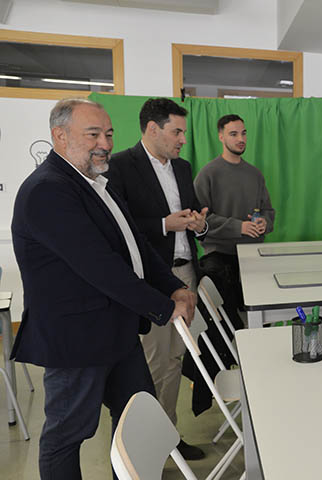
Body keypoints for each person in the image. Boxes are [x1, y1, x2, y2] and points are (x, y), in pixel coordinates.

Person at [10, 98, 195, 478]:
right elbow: (101, 267)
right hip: (77, 340)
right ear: (59, 136)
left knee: (136, 425)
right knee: (67, 435)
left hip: (117, 332)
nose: (105, 143)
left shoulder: (95, 183)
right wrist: (162, 306)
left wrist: (174, 286)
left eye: (108, 134)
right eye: (92, 134)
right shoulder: (48, 190)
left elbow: (135, 247)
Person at [104, 97, 207, 460]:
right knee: (151, 364)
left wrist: (198, 223)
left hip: (186, 274)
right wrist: (166, 224)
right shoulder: (120, 167)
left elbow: (193, 217)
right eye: (176, 131)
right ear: (152, 129)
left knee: (176, 359)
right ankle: (142, 449)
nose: (182, 139)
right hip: (151, 279)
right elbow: (120, 231)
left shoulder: (182, 168)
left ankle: (169, 437)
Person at [194, 113, 275, 327]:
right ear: (221, 137)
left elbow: (268, 211)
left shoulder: (255, 174)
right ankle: (229, 359)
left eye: (244, 133)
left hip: (253, 257)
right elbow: (200, 220)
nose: (241, 138)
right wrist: (239, 227)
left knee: (262, 319)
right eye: (233, 134)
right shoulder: (208, 174)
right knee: (223, 322)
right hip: (219, 258)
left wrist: (264, 223)